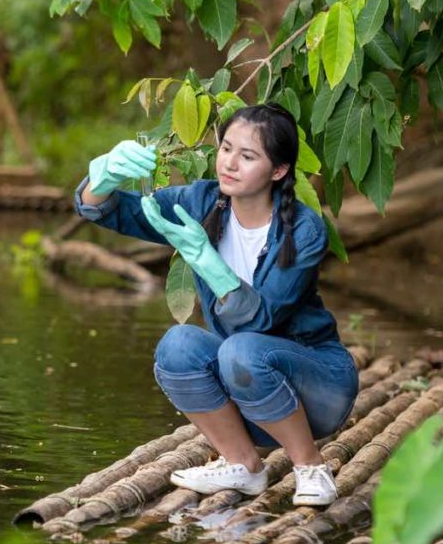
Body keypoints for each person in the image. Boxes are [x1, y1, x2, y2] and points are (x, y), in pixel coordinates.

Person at [74, 103, 358, 506]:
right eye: (226, 149)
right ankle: (242, 463)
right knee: (178, 346)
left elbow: (262, 319)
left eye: (248, 156)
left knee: (241, 348)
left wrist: (206, 258)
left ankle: (310, 467)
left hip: (319, 391)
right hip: (250, 398)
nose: (230, 164)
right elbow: (118, 212)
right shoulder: (203, 202)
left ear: (278, 171)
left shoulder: (304, 228)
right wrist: (102, 179)